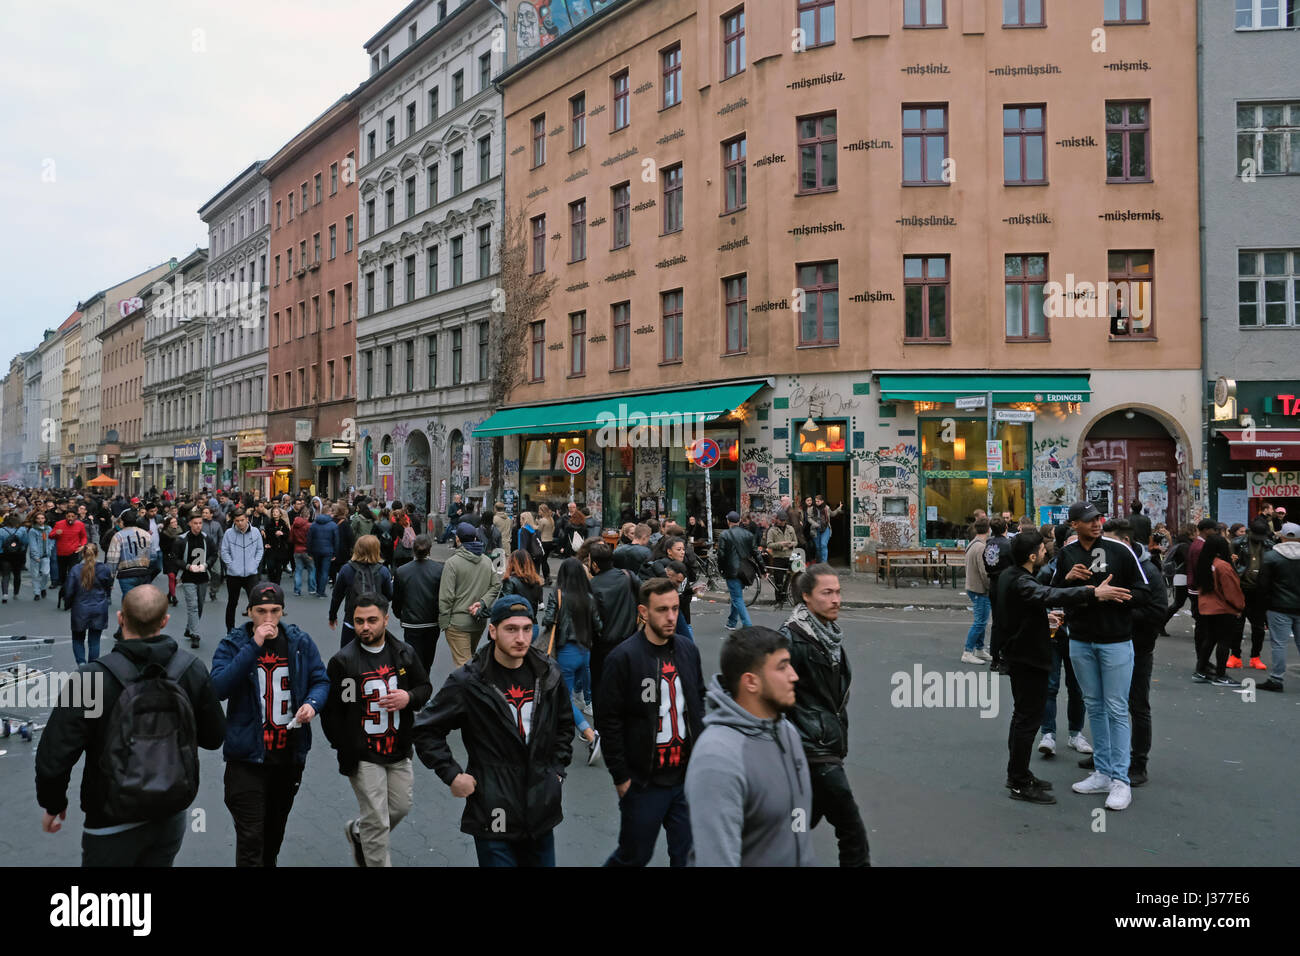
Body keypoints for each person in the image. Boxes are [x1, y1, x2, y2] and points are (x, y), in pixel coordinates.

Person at [35, 585, 225, 866]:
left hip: (109, 815)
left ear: (121, 618)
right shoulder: (191, 669)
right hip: (169, 810)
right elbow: (214, 737)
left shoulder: (92, 678)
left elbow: (55, 753)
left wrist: (53, 803)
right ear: (165, 621)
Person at [412, 595, 574, 867]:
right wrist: (452, 775)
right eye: (511, 629)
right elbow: (426, 729)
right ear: (493, 631)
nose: (521, 638)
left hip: (540, 806)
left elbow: (564, 724)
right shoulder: (468, 681)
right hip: (492, 807)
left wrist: (556, 771)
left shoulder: (548, 673)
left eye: (526, 628)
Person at [999, 530, 1129, 805]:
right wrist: (1093, 593)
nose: (1046, 553)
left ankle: (1020, 773)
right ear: (1032, 555)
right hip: (1027, 658)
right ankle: (1019, 781)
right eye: (1042, 550)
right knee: (1026, 721)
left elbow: (1037, 596)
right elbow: (1043, 593)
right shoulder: (1020, 580)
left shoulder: (1010, 575)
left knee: (1022, 718)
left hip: (1020, 655)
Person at [210, 582, 330, 867]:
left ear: (282, 611)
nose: (268, 619)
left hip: (287, 756)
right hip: (247, 758)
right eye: (261, 611)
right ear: (249, 611)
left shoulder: (299, 643)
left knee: (272, 836)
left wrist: (312, 704)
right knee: (251, 839)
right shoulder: (233, 644)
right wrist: (254, 646)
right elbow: (218, 687)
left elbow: (321, 681)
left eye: (275, 611)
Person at [597, 577, 705, 867]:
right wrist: (621, 777)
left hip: (685, 778)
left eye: (675, 609)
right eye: (662, 610)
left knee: (687, 856)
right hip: (645, 782)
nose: (671, 617)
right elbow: (609, 722)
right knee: (634, 857)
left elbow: (698, 703)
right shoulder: (623, 658)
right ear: (643, 612)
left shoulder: (687, 650)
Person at [685, 626, 814, 867]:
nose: (794, 675)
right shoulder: (718, 757)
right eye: (782, 666)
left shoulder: (787, 733)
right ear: (751, 682)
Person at [1052, 501, 1150, 812]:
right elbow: (1051, 592)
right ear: (1074, 524)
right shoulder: (1066, 554)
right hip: (1080, 639)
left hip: (1116, 640)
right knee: (1094, 704)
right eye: (1088, 520)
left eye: (1098, 518)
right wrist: (1067, 580)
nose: (1096, 524)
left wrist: (1116, 596)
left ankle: (1121, 779)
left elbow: (1146, 593)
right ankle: (1103, 771)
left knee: (1117, 707)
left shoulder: (1120, 550)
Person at [323, 593, 432, 867]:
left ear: (386, 619)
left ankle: (359, 832)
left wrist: (409, 698)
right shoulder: (344, 662)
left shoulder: (404, 653)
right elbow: (334, 712)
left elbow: (424, 688)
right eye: (359, 621)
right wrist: (346, 746)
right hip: (363, 754)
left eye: (372, 620)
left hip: (398, 748)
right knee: (378, 820)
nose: (365, 627)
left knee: (399, 808)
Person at [780, 564, 869, 864]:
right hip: (813, 748)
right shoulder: (791, 639)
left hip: (828, 741)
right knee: (851, 830)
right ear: (806, 596)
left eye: (838, 592)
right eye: (827, 593)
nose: (836, 600)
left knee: (797, 826)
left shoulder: (828, 635)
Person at [1104, 519, 1167, 787]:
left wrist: (1122, 613)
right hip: (1111, 644)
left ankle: (1138, 763)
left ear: (1125, 542)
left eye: (1109, 542)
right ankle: (1107, 756)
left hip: (1138, 647)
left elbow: (1157, 612)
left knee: (1137, 706)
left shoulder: (1148, 572)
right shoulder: (1112, 564)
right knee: (1109, 703)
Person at [539, 557, 603, 764]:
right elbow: (598, 625)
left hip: (565, 651)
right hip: (585, 651)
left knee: (562, 698)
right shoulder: (589, 597)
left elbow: (547, 620)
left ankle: (590, 734)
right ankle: (556, 736)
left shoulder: (558, 595)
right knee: (567, 695)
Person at [439, 522, 502, 668]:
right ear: (475, 539)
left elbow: (446, 596)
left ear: (458, 540)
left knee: (464, 668)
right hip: (478, 620)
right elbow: (496, 585)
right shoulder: (486, 560)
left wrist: (444, 622)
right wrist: (483, 602)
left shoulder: (452, 563)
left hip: (457, 622)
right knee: (470, 662)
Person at [587, 540, 641, 702]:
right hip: (630, 642)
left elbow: (592, 621)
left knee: (603, 692)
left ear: (595, 564)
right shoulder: (628, 576)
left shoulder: (592, 586)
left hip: (602, 648)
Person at [1193, 533, 1245, 687]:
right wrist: (1239, 607)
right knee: (1224, 641)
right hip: (1223, 608)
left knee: (1210, 639)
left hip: (1206, 607)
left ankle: (1200, 670)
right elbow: (1232, 591)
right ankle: (1221, 674)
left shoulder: (1204, 563)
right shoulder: (1223, 566)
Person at [329, 535, 394, 648]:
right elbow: (389, 595)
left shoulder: (346, 569)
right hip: (375, 622)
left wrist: (332, 616)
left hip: (352, 620)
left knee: (347, 656)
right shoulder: (383, 571)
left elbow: (337, 596)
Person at [1258, 522, 1300, 692]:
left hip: (1278, 606)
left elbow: (1262, 585)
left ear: (1281, 536)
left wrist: (1263, 606)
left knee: (1279, 643)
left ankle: (1276, 678)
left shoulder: (1271, 557)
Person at [392, 534, 443, 672]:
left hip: (411, 621)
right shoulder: (439, 570)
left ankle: (416, 682)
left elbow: (397, 598)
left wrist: (399, 614)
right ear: (430, 549)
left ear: (413, 549)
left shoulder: (402, 571)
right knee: (428, 657)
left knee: (413, 656)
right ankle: (424, 680)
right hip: (432, 621)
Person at [1230, 518, 1272, 670]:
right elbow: (1229, 565)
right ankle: (1235, 655)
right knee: (1237, 625)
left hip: (1259, 590)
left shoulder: (1269, 545)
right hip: (1241, 588)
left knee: (1258, 627)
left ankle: (1255, 656)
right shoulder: (1237, 543)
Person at [63, 544, 114, 665]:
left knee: (78, 639)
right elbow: (108, 587)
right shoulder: (104, 569)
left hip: (80, 608)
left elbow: (69, 590)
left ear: (82, 554)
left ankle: (81, 664)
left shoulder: (75, 569)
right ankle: (92, 666)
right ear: (97, 554)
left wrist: (69, 604)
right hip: (99, 607)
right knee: (95, 641)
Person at [175, 512, 217, 649]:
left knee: (199, 605)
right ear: (189, 524)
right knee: (192, 606)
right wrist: (187, 566)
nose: (198, 526)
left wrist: (206, 565)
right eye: (195, 523)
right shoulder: (181, 540)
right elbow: (174, 558)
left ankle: (189, 628)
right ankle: (195, 635)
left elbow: (214, 554)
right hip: (188, 577)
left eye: (200, 523)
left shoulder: (207, 539)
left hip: (203, 577)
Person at [220, 510, 264, 632]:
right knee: (232, 603)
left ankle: (258, 628)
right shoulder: (229, 533)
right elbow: (224, 551)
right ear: (234, 521)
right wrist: (231, 565)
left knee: (255, 603)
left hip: (251, 574)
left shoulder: (255, 532)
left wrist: (255, 564)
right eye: (237, 521)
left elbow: (260, 549)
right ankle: (230, 630)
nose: (240, 523)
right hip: (234, 575)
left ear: (247, 519)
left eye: (242, 520)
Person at [984, 517, 1015, 671]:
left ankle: (995, 658)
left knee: (996, 622)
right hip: (1006, 584)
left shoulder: (988, 544)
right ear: (1006, 528)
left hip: (994, 583)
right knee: (1008, 622)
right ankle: (1005, 658)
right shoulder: (1009, 545)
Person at [962, 518, 993, 664]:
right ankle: (968, 652)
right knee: (980, 622)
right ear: (988, 529)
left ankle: (979, 649)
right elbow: (984, 571)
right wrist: (990, 586)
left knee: (981, 620)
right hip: (979, 588)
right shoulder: (981, 547)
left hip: (973, 586)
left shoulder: (973, 543)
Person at [717, 511, 755, 631]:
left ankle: (747, 624)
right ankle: (732, 622)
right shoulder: (747, 534)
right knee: (736, 595)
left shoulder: (724, 535)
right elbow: (756, 552)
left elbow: (721, 555)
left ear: (728, 521)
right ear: (739, 521)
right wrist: (763, 569)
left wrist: (721, 569)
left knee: (737, 598)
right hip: (745, 571)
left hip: (731, 570)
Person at [500, 548, 544, 644]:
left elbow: (502, 606)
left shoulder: (510, 581)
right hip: (532, 626)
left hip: (515, 628)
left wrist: (481, 611)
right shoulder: (537, 582)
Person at [106, 509, 153, 599]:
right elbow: (153, 555)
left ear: (123, 522)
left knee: (129, 601)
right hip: (143, 572)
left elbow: (112, 560)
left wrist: (110, 580)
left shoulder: (118, 536)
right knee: (142, 600)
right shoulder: (146, 534)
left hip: (126, 574)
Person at [50, 508, 88, 610]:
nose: (70, 518)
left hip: (73, 553)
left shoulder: (80, 525)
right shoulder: (59, 524)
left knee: (72, 574)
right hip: (61, 553)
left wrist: (82, 546)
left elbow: (84, 537)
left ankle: (71, 595)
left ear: (76, 517)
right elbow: (50, 535)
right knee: (62, 576)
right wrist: (56, 533)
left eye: (72, 516)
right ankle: (64, 592)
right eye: (68, 516)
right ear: (65, 516)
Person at [764, 512, 797, 606]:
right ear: (777, 519)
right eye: (781, 520)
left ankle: (785, 595)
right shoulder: (772, 530)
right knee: (778, 579)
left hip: (790, 556)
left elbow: (796, 541)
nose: (783, 522)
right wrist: (780, 544)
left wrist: (792, 544)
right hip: (778, 557)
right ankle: (778, 600)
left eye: (784, 520)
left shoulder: (790, 528)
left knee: (790, 576)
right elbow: (769, 544)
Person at [307, 508, 339, 598]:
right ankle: (321, 591)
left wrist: (309, 552)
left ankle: (318, 589)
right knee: (325, 571)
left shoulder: (314, 525)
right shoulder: (333, 525)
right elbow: (336, 541)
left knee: (318, 570)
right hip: (328, 551)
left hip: (316, 550)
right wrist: (335, 553)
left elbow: (309, 539)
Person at [26, 510, 54, 600]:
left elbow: (52, 540)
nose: (40, 520)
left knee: (46, 573)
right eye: (38, 518)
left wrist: (49, 549)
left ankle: (42, 587)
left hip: (46, 555)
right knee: (35, 575)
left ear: (45, 519)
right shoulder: (33, 530)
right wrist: (35, 555)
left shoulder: (48, 528)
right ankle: (37, 592)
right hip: (36, 557)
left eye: (42, 518)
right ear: (35, 520)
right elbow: (32, 543)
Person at [0, 512, 28, 603]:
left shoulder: (1, 530)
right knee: (17, 574)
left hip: (5, 555)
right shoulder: (22, 529)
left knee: (5, 574)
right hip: (18, 554)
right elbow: (25, 542)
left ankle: (5, 594)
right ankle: (16, 593)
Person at [262, 506, 292, 588]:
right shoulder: (269, 523)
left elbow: (288, 535)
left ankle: (277, 584)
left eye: (276, 512)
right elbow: (266, 535)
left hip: (280, 549)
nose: (274, 513)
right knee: (270, 566)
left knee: (279, 568)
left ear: (280, 514)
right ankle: (272, 581)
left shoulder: (283, 523)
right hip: (271, 548)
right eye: (273, 512)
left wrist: (282, 534)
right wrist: (266, 543)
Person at [160, 515, 184, 607]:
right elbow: (163, 547)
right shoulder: (164, 533)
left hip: (177, 558)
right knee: (171, 576)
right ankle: (174, 597)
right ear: (168, 524)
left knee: (174, 579)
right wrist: (172, 541)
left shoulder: (181, 532)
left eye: (176, 522)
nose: (175, 524)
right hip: (168, 557)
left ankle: (169, 594)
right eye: (172, 522)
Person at [290, 507, 313, 596]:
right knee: (311, 569)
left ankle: (297, 590)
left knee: (298, 570)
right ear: (308, 516)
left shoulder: (294, 525)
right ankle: (311, 589)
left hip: (297, 549)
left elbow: (291, 539)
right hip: (307, 550)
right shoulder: (309, 526)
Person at [536, 502, 556, 583]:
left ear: (543, 511)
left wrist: (537, 522)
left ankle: (547, 577)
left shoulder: (542, 520)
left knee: (543, 561)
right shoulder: (551, 519)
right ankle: (547, 577)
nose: (538, 512)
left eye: (539, 510)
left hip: (543, 541)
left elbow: (539, 530)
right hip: (550, 541)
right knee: (545, 559)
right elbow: (553, 529)